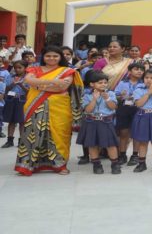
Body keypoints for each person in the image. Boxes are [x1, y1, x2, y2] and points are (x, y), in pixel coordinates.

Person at [15, 46, 84, 175]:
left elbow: (62, 87)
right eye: (48, 56)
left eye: (55, 56)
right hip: (35, 105)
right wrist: (53, 82)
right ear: (43, 57)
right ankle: (28, 165)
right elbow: (28, 80)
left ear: (60, 57)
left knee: (59, 134)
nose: (51, 58)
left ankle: (60, 165)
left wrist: (38, 85)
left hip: (60, 107)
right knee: (32, 133)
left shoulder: (67, 71)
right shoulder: (34, 68)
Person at [78, 70, 121, 175]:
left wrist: (107, 99)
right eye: (100, 82)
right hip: (91, 121)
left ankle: (115, 164)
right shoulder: (87, 95)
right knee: (92, 144)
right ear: (92, 84)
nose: (103, 84)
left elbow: (113, 107)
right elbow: (88, 110)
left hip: (105, 121)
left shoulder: (110, 94)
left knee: (110, 144)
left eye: (105, 82)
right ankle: (96, 164)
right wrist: (94, 99)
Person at [114, 63, 144, 166]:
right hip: (124, 108)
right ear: (130, 71)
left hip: (139, 109)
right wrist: (121, 96)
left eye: (141, 70)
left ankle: (135, 155)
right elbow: (116, 95)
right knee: (124, 132)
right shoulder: (122, 82)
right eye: (136, 69)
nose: (139, 71)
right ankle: (122, 155)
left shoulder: (144, 83)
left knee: (136, 133)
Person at [2, 61, 29, 148]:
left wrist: (21, 85)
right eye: (15, 67)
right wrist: (13, 84)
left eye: (20, 67)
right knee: (11, 121)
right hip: (11, 99)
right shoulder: (10, 77)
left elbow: (29, 92)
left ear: (25, 68)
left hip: (22, 100)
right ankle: (10, 140)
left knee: (22, 121)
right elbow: (5, 89)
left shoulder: (28, 77)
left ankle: (22, 141)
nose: (17, 69)